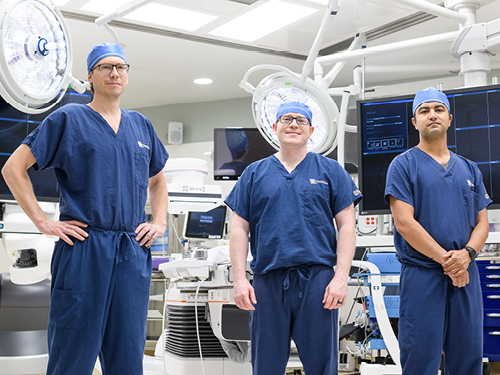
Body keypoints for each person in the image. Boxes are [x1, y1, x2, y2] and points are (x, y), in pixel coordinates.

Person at [1, 43, 169, 375]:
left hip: (131, 251)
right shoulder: (68, 119)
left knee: (127, 354)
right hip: (84, 249)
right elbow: (13, 168)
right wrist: (43, 222)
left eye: (121, 67)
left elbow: (159, 181)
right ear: (91, 76)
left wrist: (160, 222)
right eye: (106, 67)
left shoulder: (141, 126)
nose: (115, 73)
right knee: (72, 352)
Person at [225, 101, 362, 375]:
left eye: (301, 120)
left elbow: (347, 226)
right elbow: (239, 228)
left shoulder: (331, 171)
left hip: (318, 281)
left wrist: (340, 278)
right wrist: (240, 279)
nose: (293, 125)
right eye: (286, 119)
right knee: (265, 364)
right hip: (268, 281)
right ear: (274, 128)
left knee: (322, 364)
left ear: (311, 129)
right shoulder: (254, 173)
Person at [385, 87, 491, 375]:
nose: (432, 115)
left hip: (465, 274)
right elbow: (405, 223)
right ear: (414, 122)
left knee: (468, 357)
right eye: (424, 110)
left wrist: (467, 255)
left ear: (449, 118)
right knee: (420, 358)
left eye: (438, 109)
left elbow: (482, 223)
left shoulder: (470, 170)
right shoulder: (403, 166)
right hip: (424, 275)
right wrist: (449, 262)